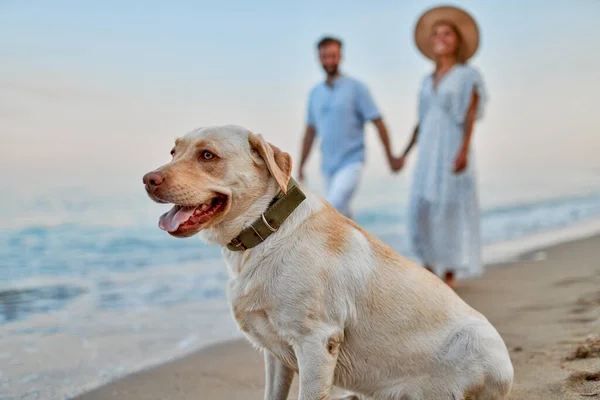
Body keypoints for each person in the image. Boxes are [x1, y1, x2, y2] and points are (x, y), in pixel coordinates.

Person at [396, 6, 487, 287]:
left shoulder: (467, 75)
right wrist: (404, 153)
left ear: (458, 40)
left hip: (451, 146)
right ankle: (429, 268)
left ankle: (449, 274)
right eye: (436, 34)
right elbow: (421, 121)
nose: (441, 38)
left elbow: (470, 115)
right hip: (427, 152)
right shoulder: (426, 80)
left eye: (447, 33)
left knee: (449, 206)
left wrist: (463, 150)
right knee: (420, 207)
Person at [298, 36, 401, 219]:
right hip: (327, 166)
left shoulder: (357, 88)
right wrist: (301, 165)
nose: (329, 60)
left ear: (340, 57)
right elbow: (310, 132)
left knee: (328, 211)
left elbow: (378, 122)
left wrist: (390, 157)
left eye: (333, 55)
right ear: (319, 58)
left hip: (351, 162)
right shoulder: (315, 93)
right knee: (343, 217)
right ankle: (354, 248)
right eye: (325, 56)